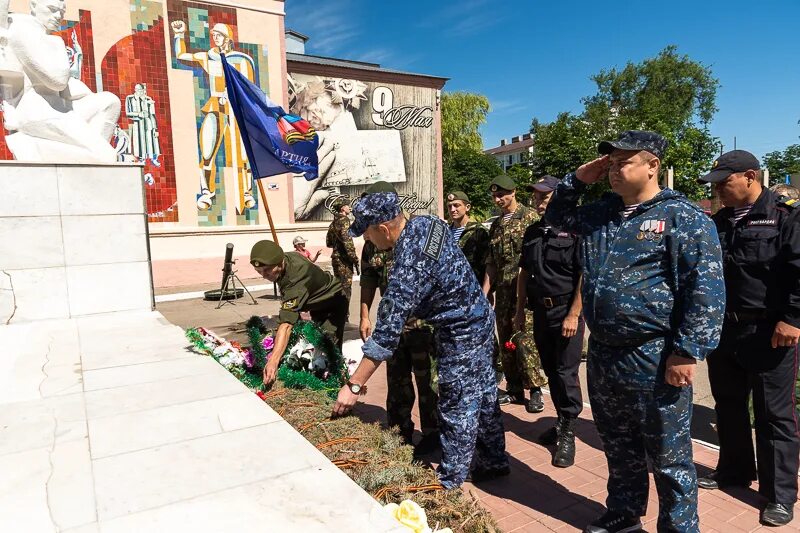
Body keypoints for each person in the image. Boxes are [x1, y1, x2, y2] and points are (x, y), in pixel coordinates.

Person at [546, 130, 725, 533]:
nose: (613, 169)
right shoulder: (600, 214)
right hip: (605, 352)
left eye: (623, 161)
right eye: (609, 162)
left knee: (668, 454)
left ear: (652, 165)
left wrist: (687, 351)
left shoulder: (682, 216)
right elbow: (555, 217)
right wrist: (577, 179)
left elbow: (706, 288)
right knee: (618, 444)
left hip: (655, 354)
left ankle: (679, 527)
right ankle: (624, 514)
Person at [333, 189, 508, 489]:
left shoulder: (407, 269)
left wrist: (353, 385)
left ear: (383, 228)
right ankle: (494, 460)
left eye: (367, 234)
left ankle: (450, 480)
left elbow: (385, 338)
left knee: (456, 403)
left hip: (460, 332)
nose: (367, 242)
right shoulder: (426, 224)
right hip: (479, 318)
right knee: (485, 394)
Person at [697, 150, 800, 527]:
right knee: (728, 404)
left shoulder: (786, 215)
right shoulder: (720, 221)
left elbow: (798, 269)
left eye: (725, 182)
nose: (719, 189)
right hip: (726, 329)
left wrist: (793, 319)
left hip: (771, 332)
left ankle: (779, 495)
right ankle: (735, 471)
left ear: (751, 177)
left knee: (775, 415)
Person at [359, 182, 439, 455]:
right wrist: (364, 315)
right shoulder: (371, 240)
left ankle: (432, 435)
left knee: (427, 381)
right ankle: (399, 432)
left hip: (421, 325)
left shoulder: (415, 232)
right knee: (397, 382)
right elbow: (368, 278)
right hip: (392, 325)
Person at [515, 175, 584, 468]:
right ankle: (560, 421)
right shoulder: (532, 231)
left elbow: (585, 274)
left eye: (544, 196)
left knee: (566, 373)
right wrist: (519, 310)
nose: (538, 200)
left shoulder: (575, 229)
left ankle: (568, 433)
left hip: (565, 313)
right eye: (536, 196)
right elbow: (523, 273)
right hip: (540, 313)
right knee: (551, 373)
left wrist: (574, 313)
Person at [171, 19, 256, 214]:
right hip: (215, 106)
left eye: (218, 35)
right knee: (207, 150)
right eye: (213, 35)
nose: (215, 38)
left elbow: (250, 88)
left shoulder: (241, 60)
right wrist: (179, 35)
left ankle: (247, 193)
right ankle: (207, 193)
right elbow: (181, 55)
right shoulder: (207, 57)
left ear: (227, 38)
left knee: (243, 153)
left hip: (236, 111)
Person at [482, 174, 547, 409]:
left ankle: (536, 389)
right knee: (506, 339)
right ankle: (514, 389)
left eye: (502, 194)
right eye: (495, 196)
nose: (498, 199)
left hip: (525, 293)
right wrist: (485, 291)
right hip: (504, 294)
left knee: (525, 339)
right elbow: (491, 262)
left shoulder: (530, 218)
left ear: (513, 193)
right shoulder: (497, 225)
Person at [250, 240, 348, 388]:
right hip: (316, 304)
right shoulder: (284, 259)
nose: (264, 275)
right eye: (259, 272)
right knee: (313, 346)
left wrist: (273, 361)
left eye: (267, 270)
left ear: (280, 263)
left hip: (333, 303)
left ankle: (337, 388)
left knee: (327, 350)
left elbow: (287, 325)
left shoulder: (295, 279)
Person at [446, 190, 490, 283]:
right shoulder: (446, 232)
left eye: (456, 205)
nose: (452, 209)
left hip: (474, 286)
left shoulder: (479, 231)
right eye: (449, 206)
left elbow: (488, 264)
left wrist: (485, 291)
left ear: (467, 207)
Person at [326, 198, 360, 303]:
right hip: (344, 260)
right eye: (347, 205)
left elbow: (329, 243)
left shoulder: (333, 223)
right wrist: (354, 258)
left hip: (335, 259)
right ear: (342, 208)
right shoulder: (345, 221)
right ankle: (344, 316)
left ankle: (337, 314)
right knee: (346, 289)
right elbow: (347, 240)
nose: (349, 207)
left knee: (338, 287)